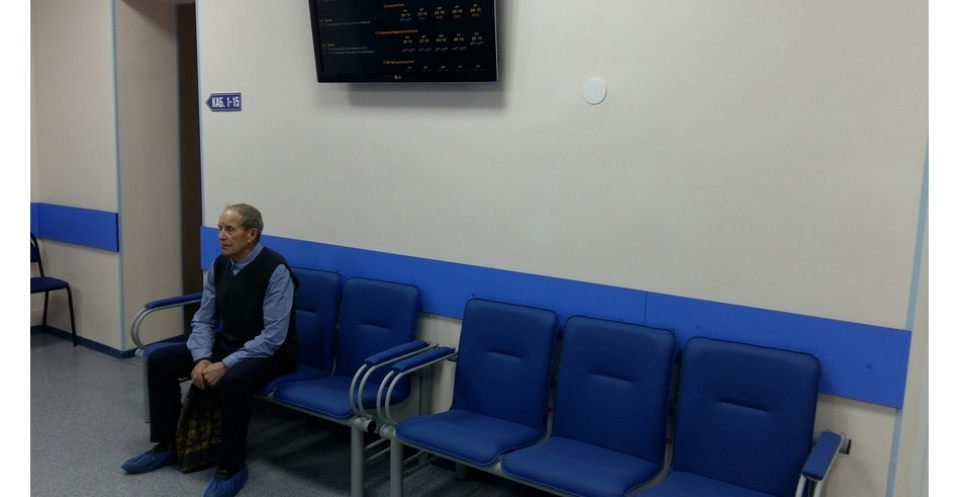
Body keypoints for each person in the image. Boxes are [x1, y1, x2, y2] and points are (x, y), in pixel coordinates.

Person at [122, 203, 299, 497]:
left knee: (235, 379)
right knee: (160, 359)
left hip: (274, 353)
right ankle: (168, 444)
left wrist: (225, 364)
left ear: (251, 234)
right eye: (219, 228)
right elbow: (204, 319)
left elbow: (273, 336)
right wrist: (203, 358)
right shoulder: (219, 265)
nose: (221, 236)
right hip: (229, 343)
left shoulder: (275, 270)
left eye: (229, 229)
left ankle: (231, 465)